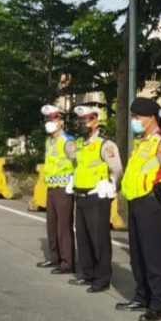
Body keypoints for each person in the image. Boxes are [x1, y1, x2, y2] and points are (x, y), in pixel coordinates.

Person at [115, 98, 161, 321]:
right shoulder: (140, 141)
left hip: (154, 204)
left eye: (137, 117)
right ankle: (141, 295)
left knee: (154, 256)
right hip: (136, 202)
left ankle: (158, 303)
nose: (134, 121)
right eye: (132, 117)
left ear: (151, 118)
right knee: (138, 254)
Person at [69, 104, 123, 293]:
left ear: (95, 121)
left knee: (98, 238)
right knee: (83, 237)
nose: (82, 124)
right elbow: (76, 164)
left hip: (97, 197)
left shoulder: (105, 145)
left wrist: (111, 185)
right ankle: (88, 273)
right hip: (80, 195)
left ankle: (102, 278)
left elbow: (117, 169)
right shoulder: (79, 144)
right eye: (80, 121)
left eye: (86, 120)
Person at [36, 104, 76, 275]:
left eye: (52, 119)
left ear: (61, 121)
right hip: (51, 187)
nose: (49, 122)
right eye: (47, 119)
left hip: (64, 188)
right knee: (51, 225)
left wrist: (73, 182)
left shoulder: (67, 141)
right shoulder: (49, 141)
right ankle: (55, 258)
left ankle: (67, 263)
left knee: (63, 227)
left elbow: (77, 162)